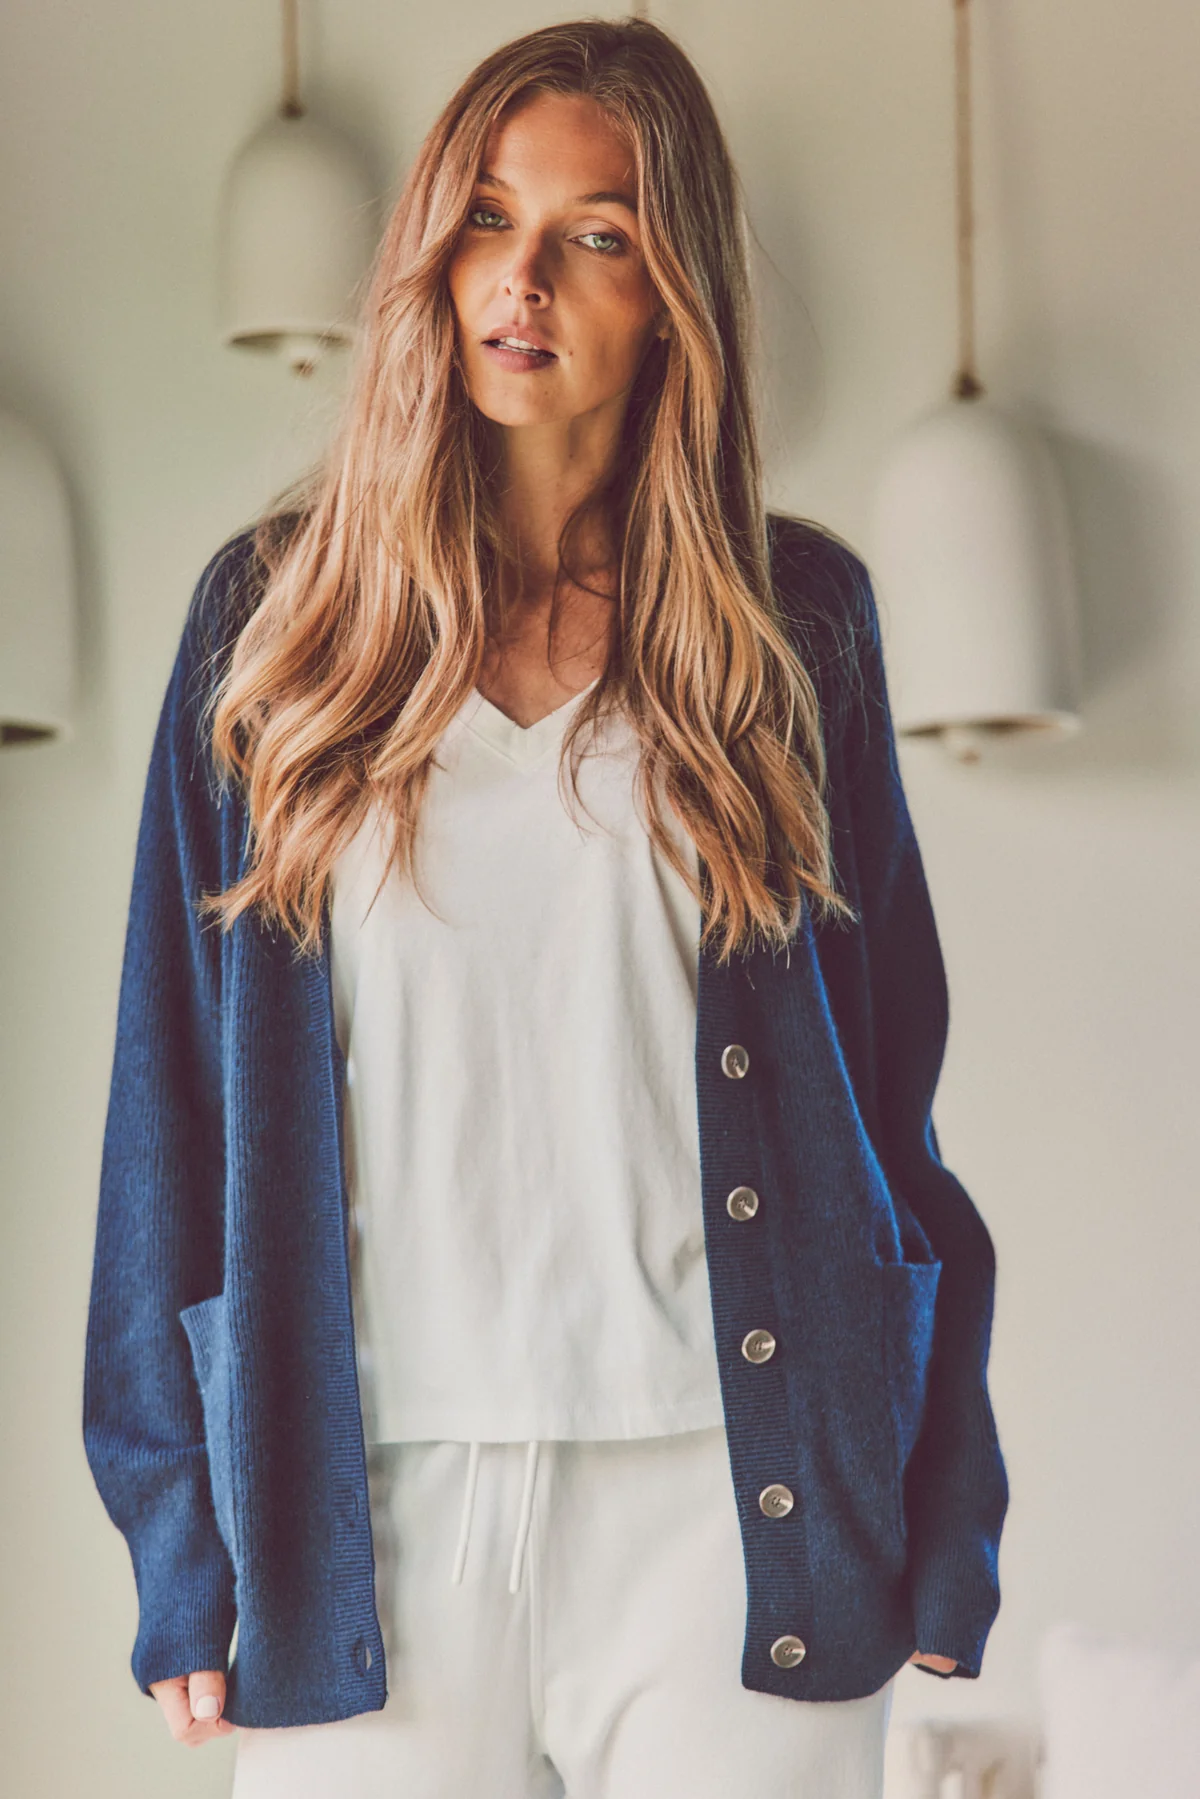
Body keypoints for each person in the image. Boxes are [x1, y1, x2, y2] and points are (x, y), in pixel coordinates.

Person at [82, 16, 1008, 1798]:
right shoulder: (274, 625)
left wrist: (949, 1489)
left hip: (742, 1501)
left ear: (672, 289)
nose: (523, 279)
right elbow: (167, 1101)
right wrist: (173, 1529)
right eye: (486, 218)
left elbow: (894, 1107)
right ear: (430, 248)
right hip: (370, 1508)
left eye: (595, 231)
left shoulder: (795, 625)